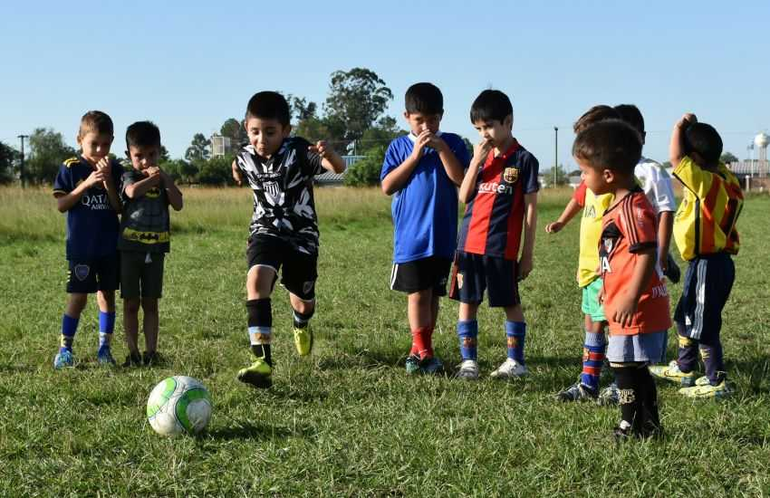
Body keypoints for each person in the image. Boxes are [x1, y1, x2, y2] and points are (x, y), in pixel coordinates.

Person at [232, 91, 346, 388]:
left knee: (304, 301)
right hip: (265, 230)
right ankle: (262, 361)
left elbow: (338, 169)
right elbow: (239, 165)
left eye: (270, 132)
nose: (262, 139)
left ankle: (301, 322)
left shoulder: (298, 151)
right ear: (247, 128)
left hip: (301, 235)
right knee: (256, 281)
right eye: (255, 132)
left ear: (286, 130)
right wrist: (235, 169)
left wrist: (329, 155)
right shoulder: (244, 156)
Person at [574, 118, 670, 439]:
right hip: (621, 300)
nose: (583, 179)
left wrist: (629, 296)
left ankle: (630, 424)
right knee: (633, 367)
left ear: (608, 174)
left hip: (636, 305)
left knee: (625, 367)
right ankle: (649, 424)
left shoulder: (631, 207)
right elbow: (617, 257)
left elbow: (645, 252)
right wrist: (608, 289)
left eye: (585, 172)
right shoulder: (617, 204)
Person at [650, 113, 743, 398]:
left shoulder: (705, 183)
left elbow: (677, 158)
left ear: (695, 158)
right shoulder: (728, 179)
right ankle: (685, 367)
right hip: (710, 263)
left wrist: (679, 126)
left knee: (704, 323)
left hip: (709, 263)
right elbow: (696, 156)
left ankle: (717, 382)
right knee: (685, 315)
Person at [449, 89, 539, 380]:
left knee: (510, 302)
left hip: (502, 247)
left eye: (488, 126)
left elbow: (530, 210)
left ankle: (515, 361)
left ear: (508, 121)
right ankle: (469, 363)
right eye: (478, 129)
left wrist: (527, 254)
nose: (484, 134)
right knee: (468, 301)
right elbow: (464, 196)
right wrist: (475, 162)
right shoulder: (480, 159)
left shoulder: (524, 160)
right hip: (469, 245)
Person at [380, 82, 468, 374]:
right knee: (417, 294)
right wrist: (415, 156)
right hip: (411, 238)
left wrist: (441, 148)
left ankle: (419, 351)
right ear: (407, 117)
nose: (427, 126)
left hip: (442, 237)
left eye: (433, 120)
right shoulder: (399, 146)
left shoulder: (453, 143)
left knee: (432, 294)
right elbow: (388, 185)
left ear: (441, 116)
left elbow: (461, 179)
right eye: (420, 120)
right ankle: (425, 353)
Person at [545, 106, 619, 401]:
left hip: (610, 268)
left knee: (615, 325)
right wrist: (562, 221)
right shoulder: (590, 180)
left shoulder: (615, 184)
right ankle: (589, 382)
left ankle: (619, 381)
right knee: (591, 322)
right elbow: (577, 200)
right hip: (588, 267)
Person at [52, 111, 123, 369]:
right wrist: (86, 184)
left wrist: (108, 185)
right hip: (82, 247)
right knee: (78, 297)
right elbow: (62, 204)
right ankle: (65, 349)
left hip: (108, 246)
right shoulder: (71, 167)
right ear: (80, 139)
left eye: (105, 144)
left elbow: (118, 208)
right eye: (94, 144)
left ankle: (105, 349)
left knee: (107, 295)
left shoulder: (114, 168)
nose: (100, 150)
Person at [119, 121, 183, 367]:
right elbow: (132, 192)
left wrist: (164, 178)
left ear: (160, 151)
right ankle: (133, 352)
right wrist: (151, 178)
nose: (145, 161)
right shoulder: (128, 175)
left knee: (151, 303)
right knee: (131, 303)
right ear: (129, 155)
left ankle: (151, 352)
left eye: (151, 155)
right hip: (129, 249)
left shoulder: (163, 179)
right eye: (139, 156)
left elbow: (178, 203)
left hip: (156, 250)